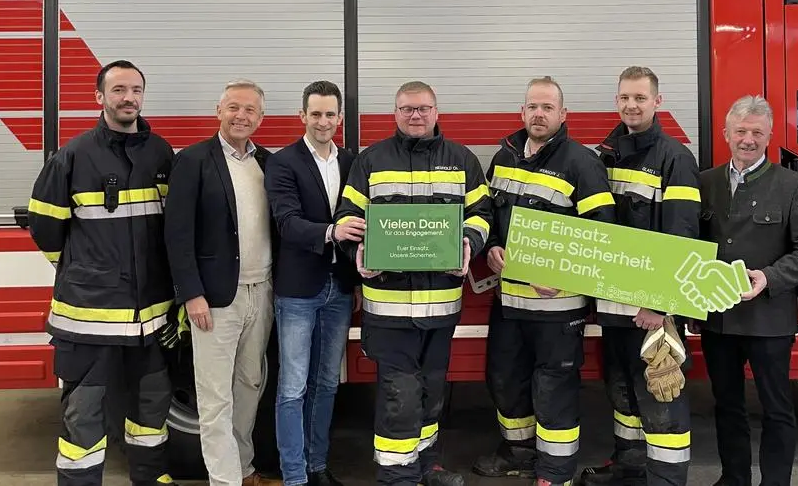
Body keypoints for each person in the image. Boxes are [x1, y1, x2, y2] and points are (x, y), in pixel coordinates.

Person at [332, 80, 493, 486]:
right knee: (399, 394)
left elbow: (482, 214)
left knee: (432, 391)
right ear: (395, 113)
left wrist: (468, 243)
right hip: (388, 309)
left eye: (422, 108)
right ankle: (396, 475)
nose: (415, 115)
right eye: (407, 108)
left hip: (441, 307)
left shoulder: (462, 159)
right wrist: (358, 253)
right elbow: (348, 216)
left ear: (436, 112)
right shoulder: (371, 160)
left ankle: (426, 465)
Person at [27, 60, 180, 486]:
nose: (128, 98)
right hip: (88, 319)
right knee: (84, 419)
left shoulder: (160, 153)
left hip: (151, 318)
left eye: (136, 90)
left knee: (151, 412)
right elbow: (45, 228)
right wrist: (85, 271)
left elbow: (171, 227)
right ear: (100, 97)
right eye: (118, 90)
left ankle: (150, 478)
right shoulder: (72, 156)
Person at [473, 76, 617, 486]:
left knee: (554, 390)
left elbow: (602, 233)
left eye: (548, 108)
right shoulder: (503, 158)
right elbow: (488, 215)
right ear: (522, 112)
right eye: (533, 107)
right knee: (505, 380)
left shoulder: (582, 162)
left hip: (558, 308)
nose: (539, 114)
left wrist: (562, 272)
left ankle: (555, 472)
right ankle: (519, 453)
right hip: (509, 302)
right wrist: (491, 247)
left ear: (562, 114)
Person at [578, 66, 701, 486]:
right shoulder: (604, 156)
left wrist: (660, 303)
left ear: (657, 102)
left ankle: (667, 479)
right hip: (612, 307)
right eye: (625, 98)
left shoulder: (675, 158)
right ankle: (629, 470)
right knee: (623, 393)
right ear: (617, 101)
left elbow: (682, 236)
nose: (632, 105)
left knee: (660, 397)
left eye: (640, 98)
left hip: (652, 311)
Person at [697, 95, 798, 486]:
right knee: (727, 406)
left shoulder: (794, 186)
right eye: (740, 131)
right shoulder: (705, 183)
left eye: (756, 132)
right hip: (718, 321)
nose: (748, 139)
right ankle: (733, 478)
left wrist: (769, 277)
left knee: (777, 409)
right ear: (726, 134)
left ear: (770, 136)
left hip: (770, 321)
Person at [163, 79, 281, 486]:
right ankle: (224, 480)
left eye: (250, 110)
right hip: (215, 300)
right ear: (218, 111)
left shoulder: (267, 163)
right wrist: (191, 294)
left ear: (261, 118)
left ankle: (243, 470)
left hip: (261, 293)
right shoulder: (193, 160)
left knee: (250, 387)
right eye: (233, 107)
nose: (240, 116)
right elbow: (177, 233)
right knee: (215, 397)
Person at [264, 81, 360, 486]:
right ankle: (294, 476)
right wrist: (331, 232)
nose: (323, 122)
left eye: (330, 114)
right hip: (298, 291)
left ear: (340, 118)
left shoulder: (353, 161)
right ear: (302, 116)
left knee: (326, 384)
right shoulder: (282, 163)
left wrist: (357, 280)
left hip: (340, 287)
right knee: (292, 388)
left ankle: (317, 467)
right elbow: (287, 223)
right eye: (315, 114)